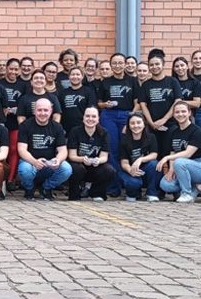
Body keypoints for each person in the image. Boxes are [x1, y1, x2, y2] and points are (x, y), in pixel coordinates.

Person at [99, 53, 139, 196]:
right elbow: (99, 103)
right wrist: (105, 104)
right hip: (108, 116)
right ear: (110, 65)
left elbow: (137, 103)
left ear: (125, 64)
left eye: (120, 63)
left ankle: (131, 184)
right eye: (114, 63)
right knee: (111, 149)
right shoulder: (105, 82)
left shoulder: (133, 81)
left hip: (126, 115)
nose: (117, 66)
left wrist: (130, 119)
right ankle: (113, 186)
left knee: (127, 148)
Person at [156, 101, 201, 203]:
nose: (180, 114)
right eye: (177, 112)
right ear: (173, 114)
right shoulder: (174, 132)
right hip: (181, 166)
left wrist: (166, 158)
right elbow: (173, 152)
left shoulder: (196, 131)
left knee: (179, 161)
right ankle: (194, 187)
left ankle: (186, 193)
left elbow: (187, 154)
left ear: (189, 113)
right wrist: (171, 170)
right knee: (165, 184)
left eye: (183, 111)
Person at [17, 97, 72, 201]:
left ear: (51, 111)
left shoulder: (57, 127)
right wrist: (34, 161)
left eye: (46, 110)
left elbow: (63, 150)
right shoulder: (25, 125)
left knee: (66, 169)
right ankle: (29, 188)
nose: (42, 113)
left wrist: (58, 160)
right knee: (25, 169)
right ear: (34, 111)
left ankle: (46, 188)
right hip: (30, 162)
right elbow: (21, 150)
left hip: (49, 164)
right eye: (39, 110)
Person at [66, 107, 115, 201]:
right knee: (75, 168)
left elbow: (104, 157)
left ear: (98, 118)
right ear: (83, 117)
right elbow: (72, 156)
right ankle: (74, 194)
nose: (90, 119)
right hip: (79, 165)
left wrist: (98, 160)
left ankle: (97, 193)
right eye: (87, 116)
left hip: (95, 166)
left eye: (93, 116)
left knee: (109, 170)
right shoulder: (75, 131)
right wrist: (82, 159)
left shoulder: (104, 133)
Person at [139, 53, 183, 151]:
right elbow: (143, 105)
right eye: (151, 65)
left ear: (163, 65)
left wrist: (164, 119)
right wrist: (151, 123)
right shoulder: (146, 85)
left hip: (171, 124)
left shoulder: (172, 81)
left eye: (157, 64)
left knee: (169, 151)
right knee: (154, 152)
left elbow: (178, 101)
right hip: (152, 126)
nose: (154, 67)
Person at [0, 58, 25, 191]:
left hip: (15, 122)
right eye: (11, 69)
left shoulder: (23, 85)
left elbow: (25, 103)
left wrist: (17, 109)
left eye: (16, 69)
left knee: (13, 150)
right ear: (6, 68)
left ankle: (10, 179)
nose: (13, 72)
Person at [118, 112, 160, 202]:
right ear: (128, 126)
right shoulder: (123, 142)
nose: (136, 126)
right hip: (130, 170)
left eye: (138, 122)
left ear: (144, 124)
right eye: (132, 123)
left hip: (145, 169)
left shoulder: (151, 137)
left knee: (154, 164)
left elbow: (154, 155)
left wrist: (140, 160)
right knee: (133, 184)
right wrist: (131, 171)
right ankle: (132, 193)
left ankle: (151, 193)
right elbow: (124, 163)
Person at [59, 66, 97, 134]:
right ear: (69, 77)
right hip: (67, 129)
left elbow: (92, 109)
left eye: (78, 74)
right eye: (73, 74)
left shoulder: (89, 92)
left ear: (82, 76)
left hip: (84, 128)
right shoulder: (63, 93)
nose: (75, 77)